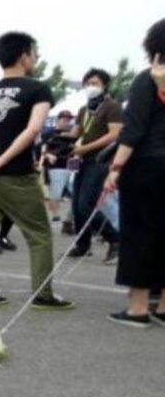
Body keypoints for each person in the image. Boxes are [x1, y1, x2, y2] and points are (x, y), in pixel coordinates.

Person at [0, 31, 74, 310]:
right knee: (38, 235)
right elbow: (34, 129)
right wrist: (1, 160)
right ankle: (43, 294)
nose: (35, 58)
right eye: (34, 53)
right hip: (16, 175)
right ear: (24, 55)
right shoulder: (37, 89)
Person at [104, 18, 165, 328]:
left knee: (140, 233)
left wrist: (115, 168)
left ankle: (138, 307)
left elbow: (133, 131)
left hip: (147, 166)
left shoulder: (147, 81)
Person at [65, 69, 122, 263]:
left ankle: (115, 239)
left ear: (105, 85)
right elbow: (76, 132)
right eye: (88, 82)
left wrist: (86, 147)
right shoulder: (84, 109)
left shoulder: (112, 106)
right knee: (76, 205)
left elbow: (114, 134)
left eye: (95, 83)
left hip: (100, 160)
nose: (91, 86)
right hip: (82, 160)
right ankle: (83, 244)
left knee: (86, 204)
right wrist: (59, 139)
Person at [39, 110, 75, 223]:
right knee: (56, 191)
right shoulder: (49, 133)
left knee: (75, 190)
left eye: (69, 120)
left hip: (72, 163)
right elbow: (43, 148)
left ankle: (71, 216)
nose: (67, 122)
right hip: (56, 164)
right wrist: (48, 155)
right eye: (64, 119)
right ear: (58, 120)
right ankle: (55, 214)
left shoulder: (72, 133)